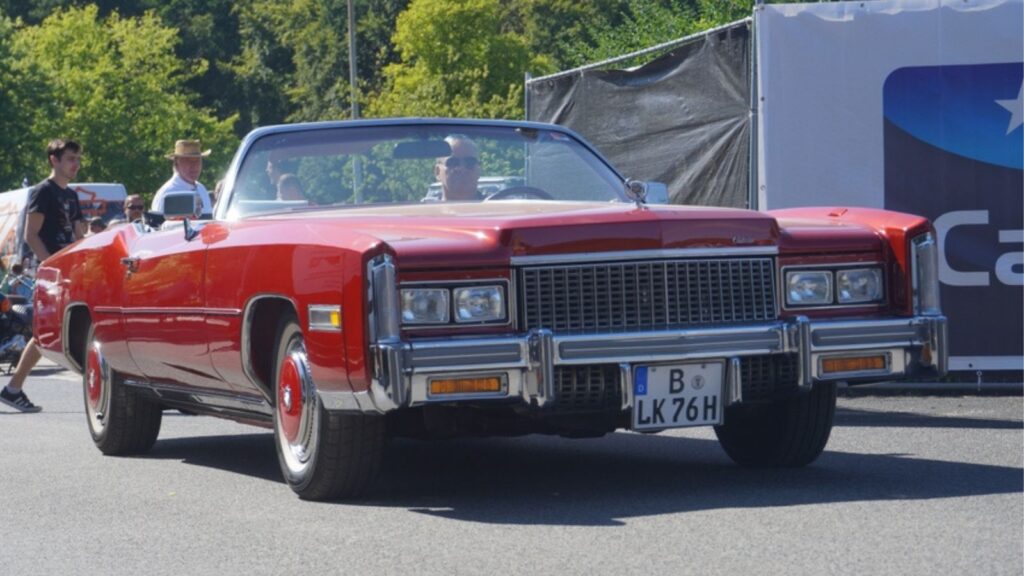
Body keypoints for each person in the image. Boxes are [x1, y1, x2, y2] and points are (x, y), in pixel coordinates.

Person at [1, 138, 86, 413]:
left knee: (50, 332)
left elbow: (79, 236)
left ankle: (13, 389)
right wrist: (52, 264)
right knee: (47, 332)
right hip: (51, 272)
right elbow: (31, 234)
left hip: (69, 272)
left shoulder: (71, 196)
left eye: (78, 159)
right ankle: (13, 388)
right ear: (54, 160)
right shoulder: (43, 192)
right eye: (71, 158)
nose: (76, 164)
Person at [151, 139, 213, 216]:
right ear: (177, 162)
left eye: (197, 160)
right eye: (188, 161)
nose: (194, 166)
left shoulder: (202, 189)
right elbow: (158, 226)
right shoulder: (167, 194)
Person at [434, 134, 481, 201]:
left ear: (479, 170)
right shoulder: (423, 210)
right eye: (453, 163)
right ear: (437, 172)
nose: (462, 169)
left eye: (470, 162)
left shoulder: (495, 209)